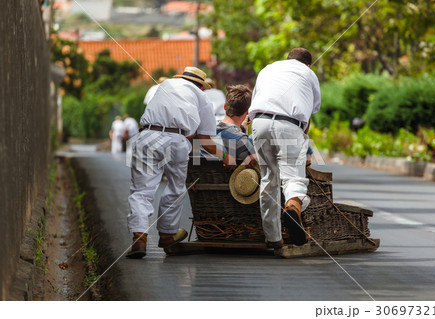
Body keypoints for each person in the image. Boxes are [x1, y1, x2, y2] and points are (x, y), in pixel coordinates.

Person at [126, 66, 236, 259]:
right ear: (201, 86)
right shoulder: (202, 98)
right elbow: (206, 141)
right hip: (175, 140)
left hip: (147, 136)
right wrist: (227, 157)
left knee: (142, 191)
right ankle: (167, 235)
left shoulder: (165, 85)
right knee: (176, 188)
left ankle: (139, 238)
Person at [248, 47, 321, 248]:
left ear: (287, 59)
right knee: (293, 176)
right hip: (289, 124)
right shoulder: (308, 73)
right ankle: (292, 207)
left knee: (268, 179)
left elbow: (255, 99)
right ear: (308, 64)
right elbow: (311, 110)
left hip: (259, 122)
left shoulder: (268, 69)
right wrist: (303, 136)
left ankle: (274, 238)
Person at [213, 85, 257, 165]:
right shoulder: (240, 139)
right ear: (247, 112)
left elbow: (229, 132)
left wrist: (241, 128)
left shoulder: (208, 130)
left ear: (225, 106)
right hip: (228, 177)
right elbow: (253, 163)